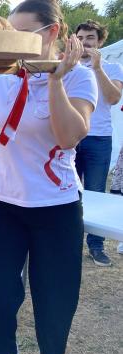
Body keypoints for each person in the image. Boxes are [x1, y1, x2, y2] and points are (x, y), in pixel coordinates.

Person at [0, 1, 97, 354]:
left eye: (22, 35)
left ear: (50, 34)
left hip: (57, 207)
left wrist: (55, 79)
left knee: (55, 300)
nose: (13, 44)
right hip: (5, 203)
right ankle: (5, 352)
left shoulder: (80, 78)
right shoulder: (5, 81)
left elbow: (68, 137)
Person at [75, 19, 123, 267]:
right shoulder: (68, 67)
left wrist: (97, 68)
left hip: (99, 139)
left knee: (94, 192)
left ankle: (96, 246)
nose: (84, 43)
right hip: (72, 137)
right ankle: (70, 242)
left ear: (100, 41)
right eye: (80, 38)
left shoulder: (113, 68)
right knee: (70, 192)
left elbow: (114, 98)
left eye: (90, 38)